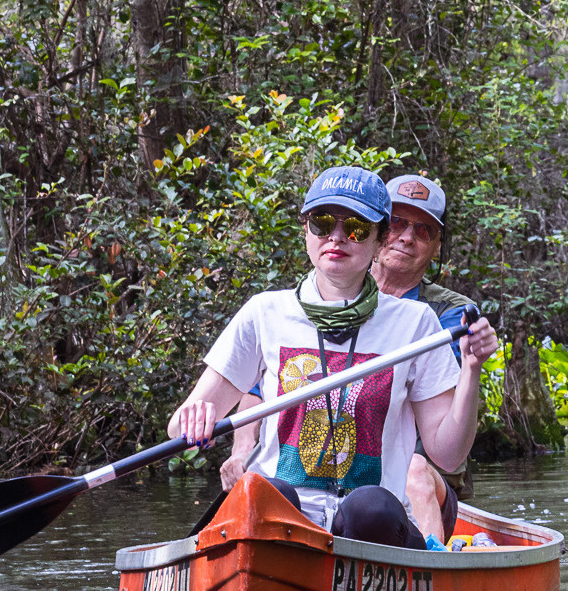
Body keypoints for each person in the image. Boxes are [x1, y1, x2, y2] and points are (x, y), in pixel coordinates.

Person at [171, 165, 499, 549]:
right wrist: (194, 420)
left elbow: (448, 453)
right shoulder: (264, 313)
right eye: (323, 222)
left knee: (370, 507)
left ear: (378, 241)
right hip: (284, 519)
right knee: (262, 494)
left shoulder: (417, 322)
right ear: (306, 231)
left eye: (356, 227)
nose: (337, 237)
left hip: (371, 523)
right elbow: (179, 428)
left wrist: (472, 370)